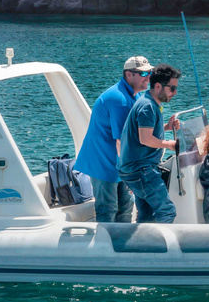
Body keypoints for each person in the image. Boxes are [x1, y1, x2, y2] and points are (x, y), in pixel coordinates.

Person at [75, 55, 152, 223]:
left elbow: (138, 131)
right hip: (103, 162)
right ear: (129, 74)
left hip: (118, 161)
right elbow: (122, 141)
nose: (148, 78)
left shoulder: (135, 96)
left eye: (149, 73)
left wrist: (166, 128)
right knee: (108, 209)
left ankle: (122, 246)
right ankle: (104, 247)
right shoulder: (120, 100)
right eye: (144, 74)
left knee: (125, 208)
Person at [117, 63, 182, 223]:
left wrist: (166, 127)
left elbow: (146, 132)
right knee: (167, 211)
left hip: (135, 168)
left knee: (146, 214)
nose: (175, 92)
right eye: (172, 88)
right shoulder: (147, 107)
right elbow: (145, 139)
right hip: (141, 170)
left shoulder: (149, 102)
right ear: (158, 86)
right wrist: (170, 144)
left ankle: (141, 246)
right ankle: (159, 247)